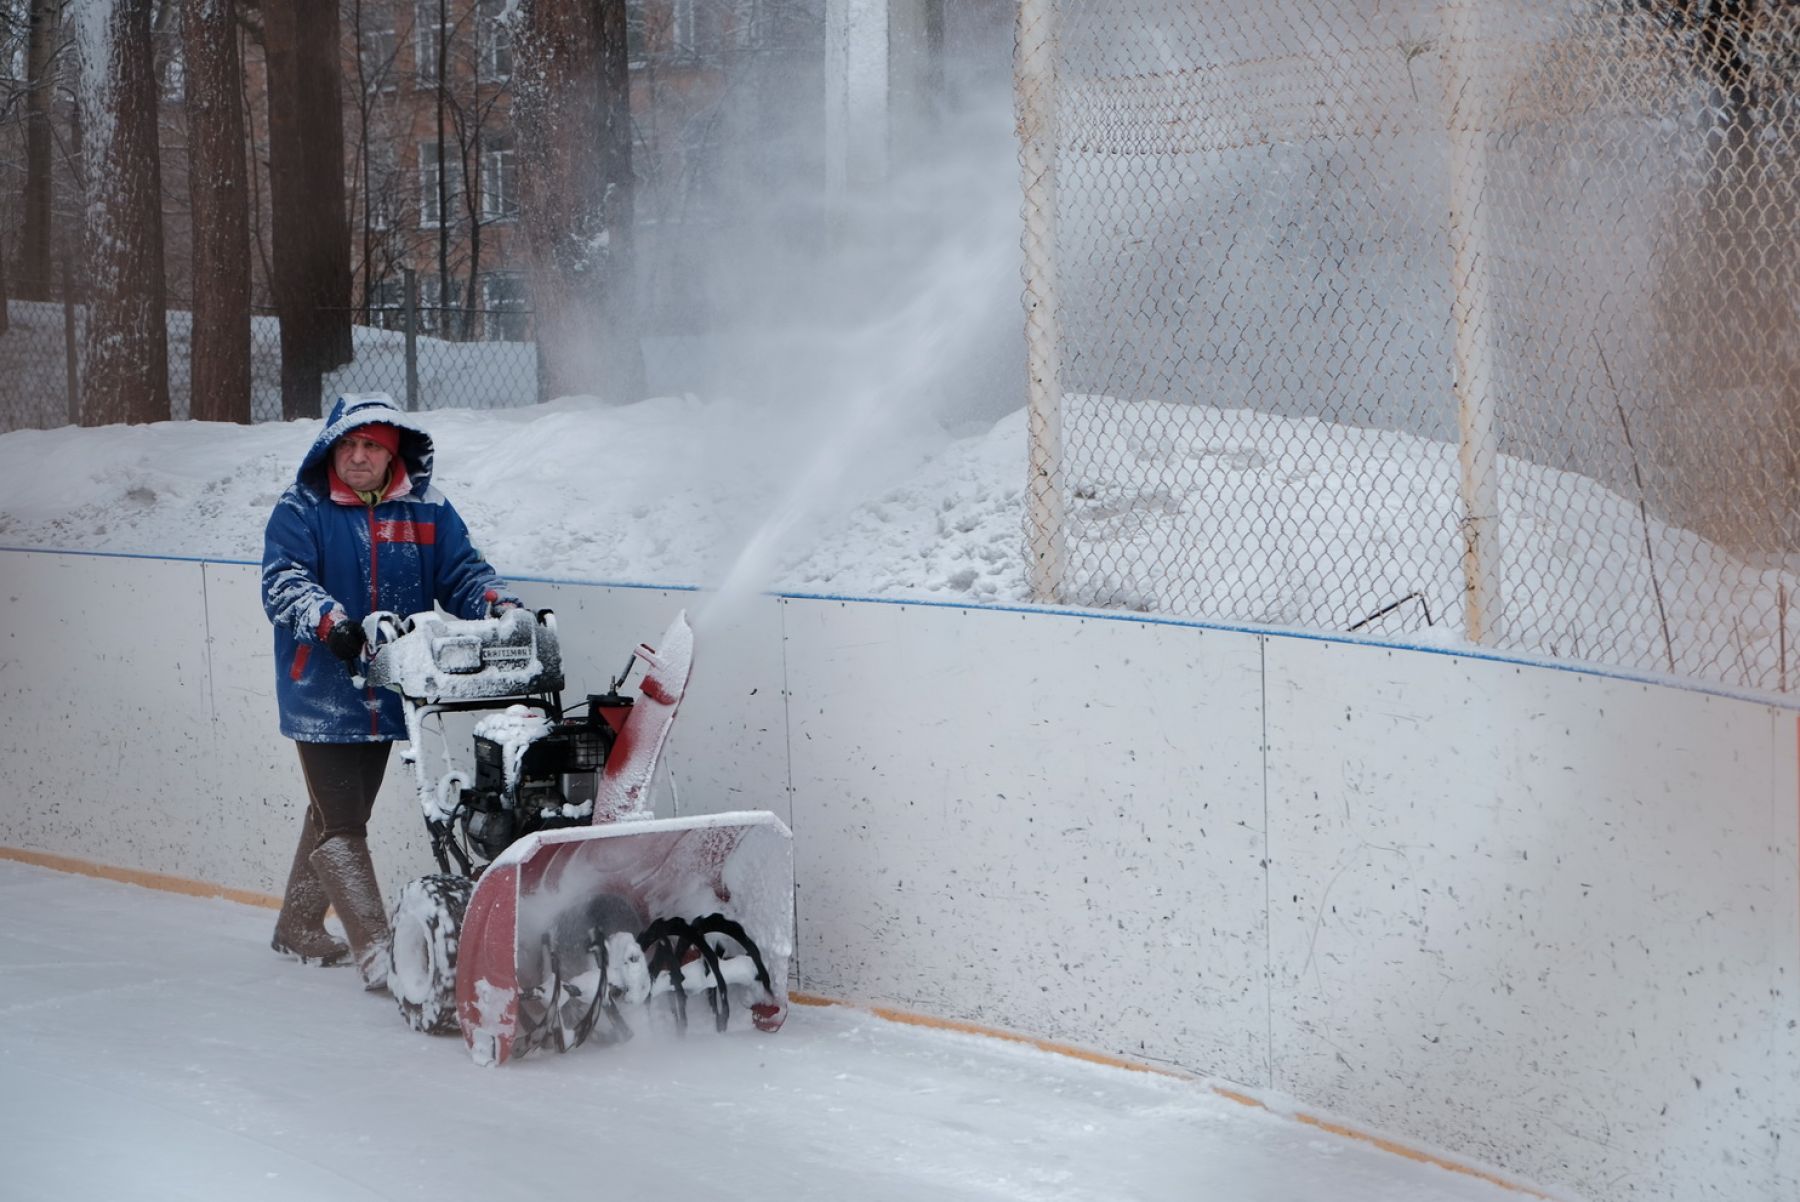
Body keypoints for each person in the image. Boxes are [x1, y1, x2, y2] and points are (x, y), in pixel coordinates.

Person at [261, 392, 520, 989]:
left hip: (390, 692)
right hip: (321, 689)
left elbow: (462, 575)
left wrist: (498, 607)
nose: (357, 457)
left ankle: (297, 925)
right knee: (344, 821)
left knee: (339, 810)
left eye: (370, 447)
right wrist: (332, 624)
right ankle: (381, 957)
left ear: (392, 452)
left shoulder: (427, 510)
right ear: (331, 448)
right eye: (347, 445)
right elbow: (284, 583)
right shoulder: (302, 509)